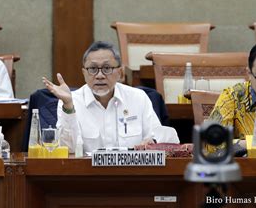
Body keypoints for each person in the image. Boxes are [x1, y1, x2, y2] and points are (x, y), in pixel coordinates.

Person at [42, 41, 179, 153]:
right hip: (88, 178)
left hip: (133, 177)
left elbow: (165, 138)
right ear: (84, 73)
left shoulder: (138, 98)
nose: (100, 75)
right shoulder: (70, 102)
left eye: (107, 68)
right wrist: (68, 106)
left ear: (120, 72)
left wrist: (153, 143)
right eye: (93, 69)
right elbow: (68, 150)